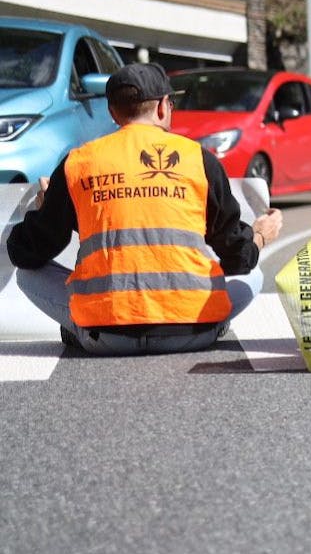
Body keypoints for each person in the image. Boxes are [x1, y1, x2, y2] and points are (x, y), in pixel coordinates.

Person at [6, 63, 284, 354]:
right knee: (254, 273)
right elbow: (238, 257)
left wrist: (48, 208)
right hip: (194, 330)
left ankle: (80, 327)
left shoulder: (78, 163)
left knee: (27, 274)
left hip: (107, 336)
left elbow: (26, 253)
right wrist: (260, 236)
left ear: (113, 112)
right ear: (163, 107)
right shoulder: (198, 159)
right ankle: (217, 323)